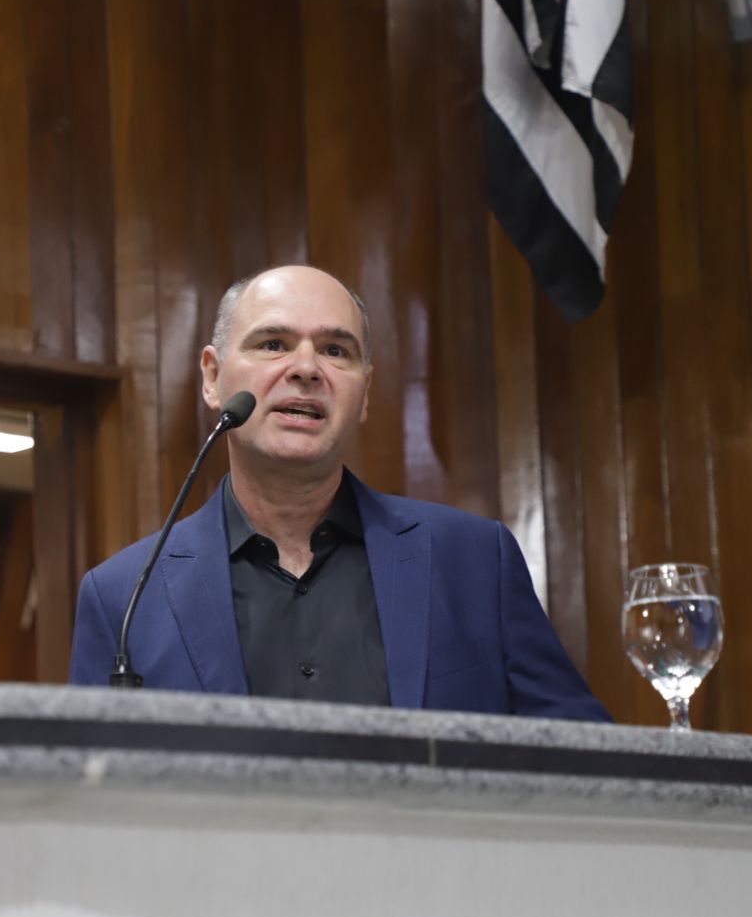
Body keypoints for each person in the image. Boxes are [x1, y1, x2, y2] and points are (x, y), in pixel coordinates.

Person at [68, 265, 610, 720]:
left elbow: (583, 755)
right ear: (213, 378)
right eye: (273, 344)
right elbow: (92, 791)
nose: (306, 369)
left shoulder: (473, 561)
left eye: (335, 350)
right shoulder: (123, 598)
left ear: (364, 392)